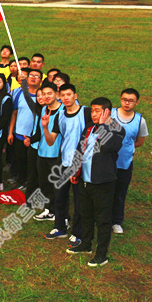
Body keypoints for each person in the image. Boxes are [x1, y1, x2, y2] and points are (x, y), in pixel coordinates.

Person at [65, 97, 124, 267]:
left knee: (103, 220)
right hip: (85, 180)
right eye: (92, 110)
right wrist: (75, 170)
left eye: (98, 110)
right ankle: (86, 244)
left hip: (103, 183)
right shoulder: (89, 127)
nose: (94, 113)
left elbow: (107, 147)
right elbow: (80, 148)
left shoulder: (117, 129)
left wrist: (105, 125)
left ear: (107, 112)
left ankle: (101, 254)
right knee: (85, 214)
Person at [41, 83, 90, 243]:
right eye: (63, 95)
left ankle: (78, 232)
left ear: (75, 95)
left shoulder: (86, 112)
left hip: (81, 164)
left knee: (79, 200)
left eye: (69, 94)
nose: (66, 98)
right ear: (59, 97)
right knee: (60, 196)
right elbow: (50, 141)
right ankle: (60, 227)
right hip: (63, 162)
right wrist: (46, 128)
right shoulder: (60, 115)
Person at [110, 88, 148, 235]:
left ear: (136, 102)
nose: (127, 103)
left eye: (131, 100)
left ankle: (117, 221)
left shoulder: (139, 120)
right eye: (124, 99)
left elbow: (139, 141)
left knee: (120, 193)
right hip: (107, 162)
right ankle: (103, 218)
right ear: (120, 99)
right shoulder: (111, 114)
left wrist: (127, 149)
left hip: (125, 163)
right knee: (105, 192)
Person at [29, 81, 63, 222]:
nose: (46, 96)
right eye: (44, 94)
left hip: (57, 153)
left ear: (56, 94)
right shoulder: (44, 109)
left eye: (49, 93)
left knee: (57, 186)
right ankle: (49, 210)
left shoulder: (63, 111)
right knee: (44, 183)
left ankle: (59, 213)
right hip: (42, 152)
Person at [9, 68, 41, 190]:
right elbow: (14, 113)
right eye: (31, 75)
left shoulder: (43, 96)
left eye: (36, 76)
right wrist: (10, 132)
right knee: (20, 159)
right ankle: (22, 180)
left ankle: (33, 183)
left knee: (33, 162)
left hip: (35, 136)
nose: (33, 78)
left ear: (41, 80)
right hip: (19, 134)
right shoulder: (19, 93)